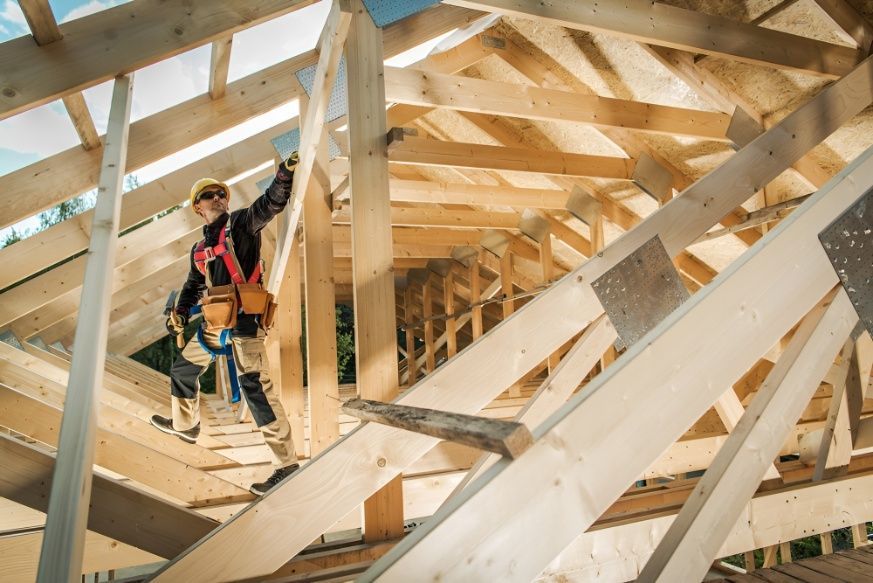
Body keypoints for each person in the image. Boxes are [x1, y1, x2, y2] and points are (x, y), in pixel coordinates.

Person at [150, 152, 301, 496]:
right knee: (183, 370)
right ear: (198, 207)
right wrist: (181, 313)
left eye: (221, 194)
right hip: (216, 324)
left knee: (256, 390)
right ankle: (186, 425)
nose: (217, 198)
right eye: (209, 195)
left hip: (245, 323)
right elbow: (192, 286)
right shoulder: (199, 249)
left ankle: (287, 465)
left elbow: (271, 204)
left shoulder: (243, 224)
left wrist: (283, 174)